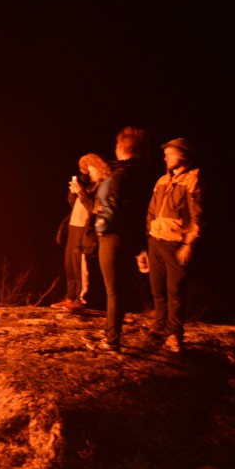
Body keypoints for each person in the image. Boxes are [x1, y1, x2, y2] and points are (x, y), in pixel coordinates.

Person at [85, 126, 155, 353]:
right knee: (118, 288)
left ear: (123, 148)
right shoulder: (143, 173)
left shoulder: (121, 174)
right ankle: (112, 332)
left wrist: (100, 228)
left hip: (113, 237)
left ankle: (112, 340)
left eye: (117, 145)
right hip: (131, 237)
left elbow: (111, 206)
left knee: (113, 289)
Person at [145, 138, 203, 353]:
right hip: (156, 241)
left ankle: (175, 334)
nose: (165, 157)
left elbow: (199, 216)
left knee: (175, 291)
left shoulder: (194, 180)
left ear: (183, 155)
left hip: (176, 243)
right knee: (157, 289)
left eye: (170, 153)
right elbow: (151, 212)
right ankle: (160, 326)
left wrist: (190, 245)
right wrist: (147, 242)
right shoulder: (161, 180)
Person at [52, 153, 110, 312]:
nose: (89, 174)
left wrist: (82, 193)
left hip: (86, 230)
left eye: (92, 171)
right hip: (73, 226)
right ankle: (70, 297)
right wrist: (74, 191)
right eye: (88, 171)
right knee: (70, 264)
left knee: (81, 267)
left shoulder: (104, 187)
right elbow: (74, 204)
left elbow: (95, 209)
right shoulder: (89, 186)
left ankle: (82, 300)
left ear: (100, 170)